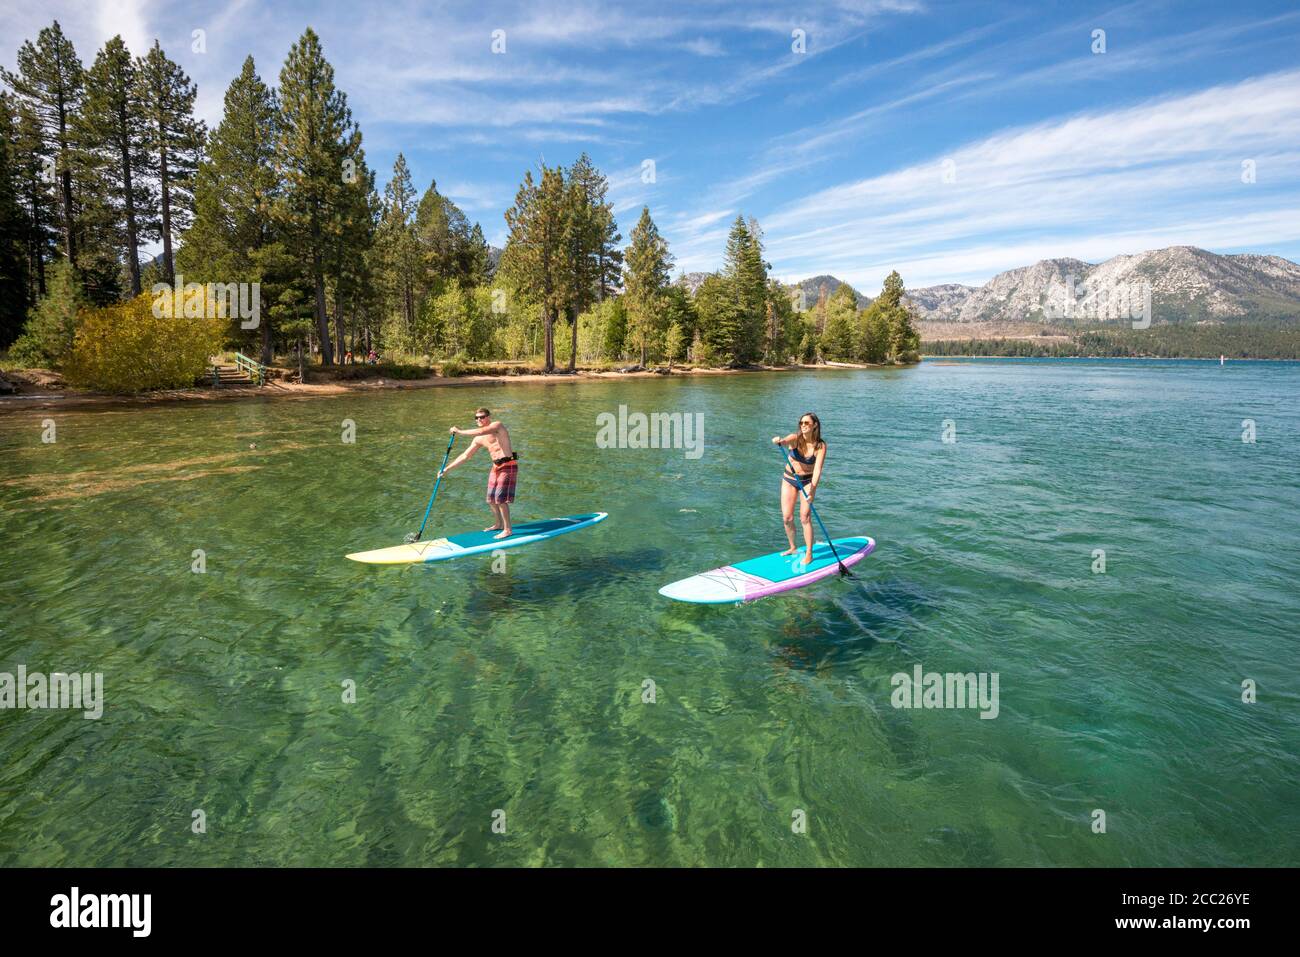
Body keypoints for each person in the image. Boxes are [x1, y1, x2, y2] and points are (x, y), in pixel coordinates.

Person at [440, 407, 517, 539]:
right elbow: (465, 456)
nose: (479, 419)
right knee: (491, 498)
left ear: (488, 417)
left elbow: (481, 430)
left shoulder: (497, 426)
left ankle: (508, 529)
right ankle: (498, 524)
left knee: (500, 498)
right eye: (477, 418)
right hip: (495, 467)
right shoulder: (478, 439)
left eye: (482, 417)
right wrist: (447, 469)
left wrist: (459, 431)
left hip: (508, 465)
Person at [772, 412, 827, 564]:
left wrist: (813, 490)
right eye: (801, 423)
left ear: (814, 425)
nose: (803, 425)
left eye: (807, 423)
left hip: (808, 481)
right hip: (790, 479)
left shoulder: (820, 446)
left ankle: (809, 552)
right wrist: (779, 440)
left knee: (805, 517)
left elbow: (817, 470)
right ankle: (792, 547)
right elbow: (784, 441)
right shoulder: (795, 439)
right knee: (787, 517)